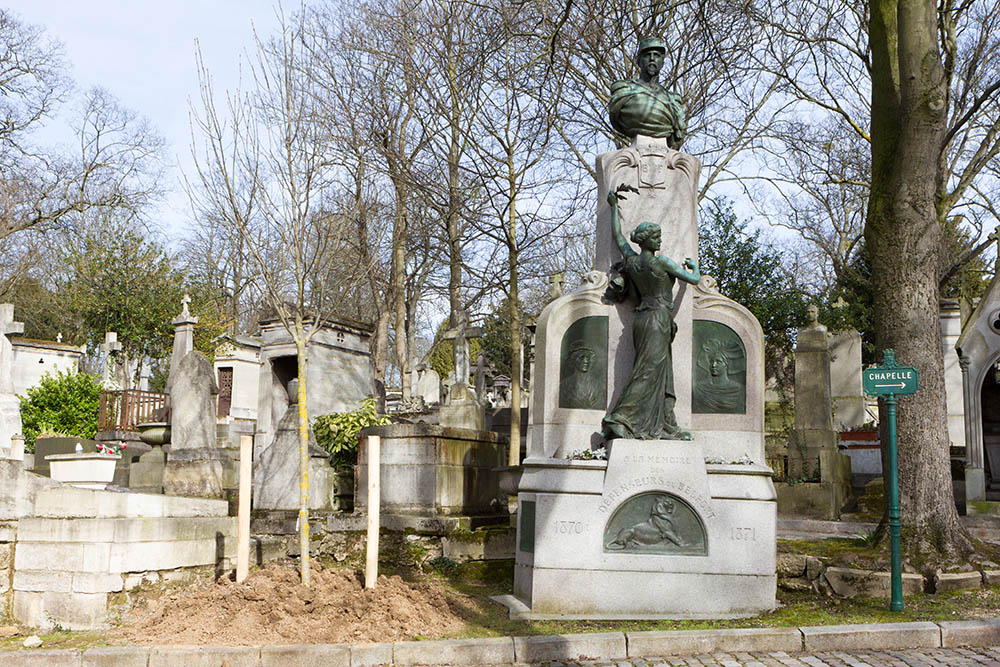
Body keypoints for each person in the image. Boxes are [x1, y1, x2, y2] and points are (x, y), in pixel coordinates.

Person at [601, 184, 700, 440]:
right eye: (655, 237)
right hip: (658, 319)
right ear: (646, 240)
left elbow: (618, 236)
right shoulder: (662, 262)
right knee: (648, 371)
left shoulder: (632, 261)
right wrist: (693, 266)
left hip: (643, 320)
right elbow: (694, 279)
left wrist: (614, 207)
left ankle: (666, 423)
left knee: (660, 372)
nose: (659, 239)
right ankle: (619, 418)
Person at [608, 37, 686, 147]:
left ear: (662, 63)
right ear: (638, 61)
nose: (652, 59)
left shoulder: (673, 99)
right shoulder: (624, 89)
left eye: (656, 55)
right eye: (647, 55)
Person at [692, 338, 745, 413]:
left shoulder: (739, 390)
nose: (713, 365)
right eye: (711, 361)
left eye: (718, 361)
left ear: (726, 364)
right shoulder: (699, 389)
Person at [559, 340, 604, 410]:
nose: (586, 361)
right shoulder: (564, 385)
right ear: (573, 360)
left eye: (588, 357)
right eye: (582, 357)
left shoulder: (598, 386)